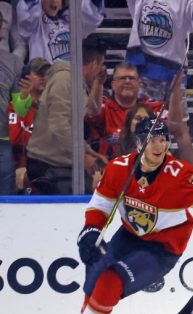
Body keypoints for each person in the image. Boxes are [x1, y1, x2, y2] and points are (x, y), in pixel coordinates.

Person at [36, 116, 193, 314]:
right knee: (95, 273)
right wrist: (90, 231)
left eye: (163, 140)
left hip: (162, 247)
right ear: (140, 143)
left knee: (111, 279)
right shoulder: (119, 168)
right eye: (152, 140)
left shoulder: (179, 174)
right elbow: (101, 204)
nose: (158, 146)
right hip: (129, 236)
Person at [125, 0, 193, 165]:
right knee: (135, 128)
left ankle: (189, 181)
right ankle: (132, 178)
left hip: (173, 77)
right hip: (141, 71)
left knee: (179, 130)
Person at [25, 36, 105, 195]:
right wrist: (83, 156)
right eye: (100, 66)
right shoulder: (65, 79)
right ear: (95, 64)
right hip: (47, 164)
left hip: (60, 161)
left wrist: (91, 154)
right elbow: (60, 125)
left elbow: (91, 112)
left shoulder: (75, 81)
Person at [8, 57, 51, 193]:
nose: (44, 78)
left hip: (48, 167)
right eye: (39, 74)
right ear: (25, 78)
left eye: (47, 74)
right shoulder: (14, 107)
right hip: (20, 168)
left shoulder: (54, 108)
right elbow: (14, 141)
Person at [16, 0, 104, 62]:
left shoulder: (72, 23)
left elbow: (92, 15)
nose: (53, 1)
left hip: (69, 81)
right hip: (44, 79)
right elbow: (26, 13)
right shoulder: (36, 25)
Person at [0, 12, 23, 195]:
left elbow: (20, 109)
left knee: (6, 197)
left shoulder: (13, 62)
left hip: (3, 142)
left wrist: (26, 95)